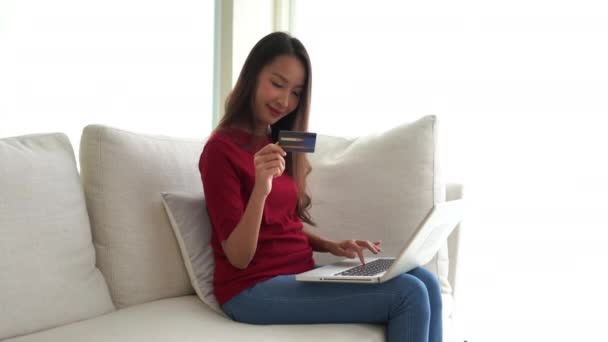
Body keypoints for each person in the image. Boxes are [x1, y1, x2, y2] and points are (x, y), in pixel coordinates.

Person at [199, 31, 442, 342]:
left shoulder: (276, 140)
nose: (285, 101)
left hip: (298, 271)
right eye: (277, 84)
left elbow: (279, 225)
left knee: (424, 279)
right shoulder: (220, 151)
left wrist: (329, 245)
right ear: (252, 75)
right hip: (250, 289)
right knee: (407, 293)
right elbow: (238, 257)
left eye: (297, 92)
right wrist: (261, 188)